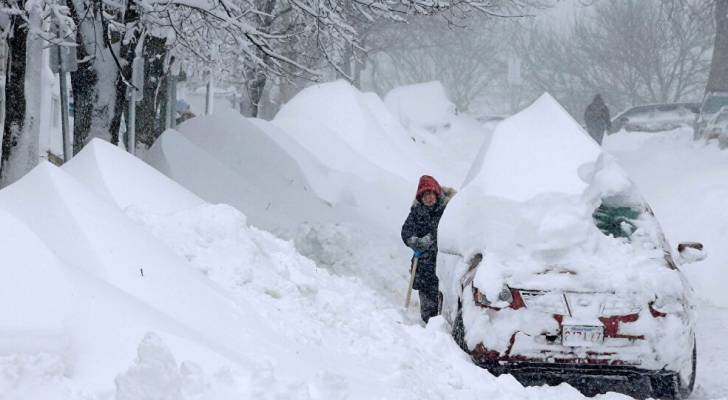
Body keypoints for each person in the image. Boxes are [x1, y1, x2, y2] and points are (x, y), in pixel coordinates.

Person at [401, 175, 455, 323]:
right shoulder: (417, 212)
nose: (429, 198)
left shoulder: (447, 210)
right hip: (424, 265)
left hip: (444, 262)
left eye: (431, 194)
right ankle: (428, 328)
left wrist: (430, 239)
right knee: (427, 303)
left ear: (437, 193)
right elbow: (406, 231)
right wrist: (413, 241)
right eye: (425, 195)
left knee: (445, 300)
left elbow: (450, 230)